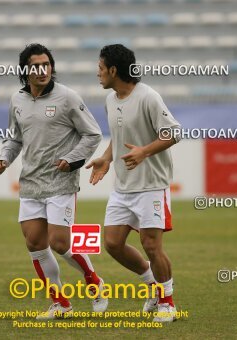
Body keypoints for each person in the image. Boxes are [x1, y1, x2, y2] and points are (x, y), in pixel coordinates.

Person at [0, 43, 107, 319]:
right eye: (36, 66)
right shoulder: (17, 100)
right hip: (31, 183)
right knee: (34, 243)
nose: (42, 70)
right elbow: (14, 138)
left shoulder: (67, 97)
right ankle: (60, 303)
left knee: (59, 242)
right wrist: (4, 159)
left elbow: (92, 134)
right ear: (25, 70)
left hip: (60, 181)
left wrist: (71, 159)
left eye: (47, 64)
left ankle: (94, 281)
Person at [87, 44, 182, 322]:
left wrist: (144, 151)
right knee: (113, 243)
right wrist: (106, 158)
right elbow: (118, 139)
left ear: (114, 70)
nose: (98, 73)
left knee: (151, 245)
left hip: (152, 184)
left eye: (101, 68)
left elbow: (174, 133)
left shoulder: (148, 97)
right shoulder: (110, 100)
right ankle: (153, 284)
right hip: (123, 187)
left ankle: (167, 303)